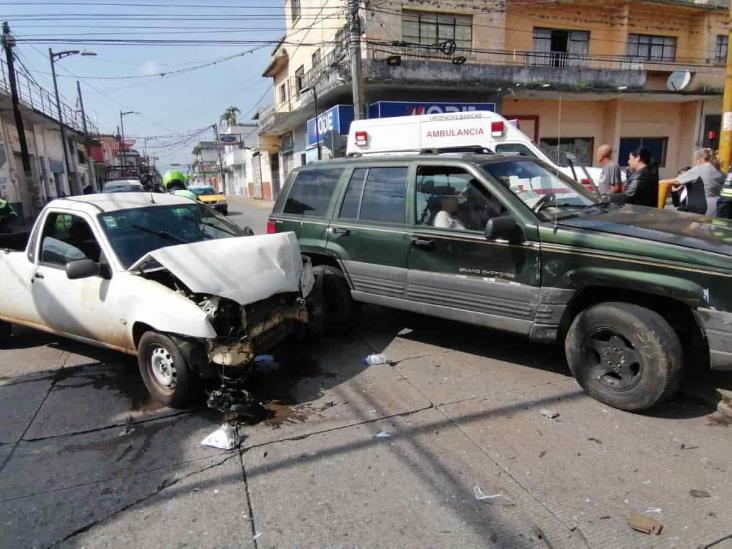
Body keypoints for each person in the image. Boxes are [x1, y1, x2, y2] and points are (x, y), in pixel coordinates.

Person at [659, 148, 724, 215]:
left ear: (699, 159)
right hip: (716, 208)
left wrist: (659, 182)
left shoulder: (699, 169)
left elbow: (676, 181)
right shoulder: (719, 171)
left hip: (701, 208)